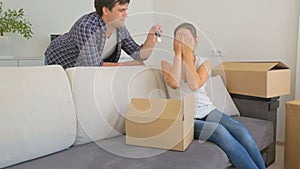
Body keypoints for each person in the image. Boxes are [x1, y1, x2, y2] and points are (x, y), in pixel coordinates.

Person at [161, 23, 266, 169]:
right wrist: (179, 54)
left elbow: (194, 84)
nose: (183, 42)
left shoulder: (204, 62)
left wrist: (189, 55)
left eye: (187, 38)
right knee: (220, 131)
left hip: (208, 110)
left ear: (195, 41)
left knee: (241, 132)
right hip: (185, 117)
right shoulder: (166, 63)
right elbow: (173, 83)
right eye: (179, 38)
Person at [45, 0, 162, 69]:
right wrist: (127, 65)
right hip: (58, 63)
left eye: (126, 10)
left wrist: (150, 40)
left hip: (83, 69)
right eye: (121, 10)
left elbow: (139, 55)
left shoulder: (120, 29)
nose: (126, 15)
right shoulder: (86, 27)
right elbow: (93, 66)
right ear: (105, 10)